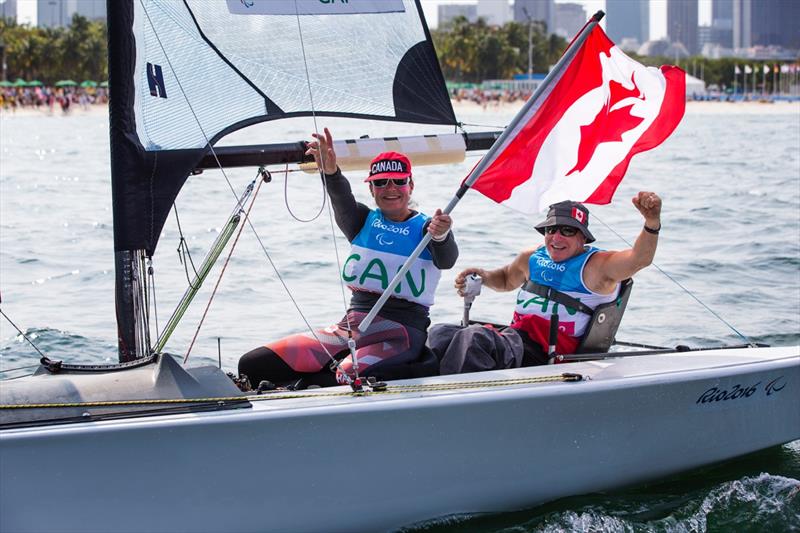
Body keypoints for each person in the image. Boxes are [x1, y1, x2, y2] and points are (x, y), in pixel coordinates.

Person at [239, 128, 458, 388]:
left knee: (346, 375)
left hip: (401, 334)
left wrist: (442, 236)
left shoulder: (427, 229)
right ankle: (298, 391)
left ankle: (304, 390)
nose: (390, 189)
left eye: (398, 181)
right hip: (350, 329)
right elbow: (341, 197)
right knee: (252, 364)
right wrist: (330, 170)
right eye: (380, 182)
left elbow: (447, 260)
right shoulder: (361, 221)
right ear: (371, 189)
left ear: (410, 185)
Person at [429, 193, 661, 374]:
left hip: (547, 354)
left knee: (475, 338)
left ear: (583, 237)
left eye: (568, 231)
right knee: (440, 333)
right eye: (551, 230)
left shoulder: (599, 265)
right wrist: (483, 275)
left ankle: (456, 406)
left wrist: (651, 222)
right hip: (515, 340)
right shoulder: (533, 257)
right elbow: (507, 279)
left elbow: (639, 259)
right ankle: (420, 395)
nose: (556, 238)